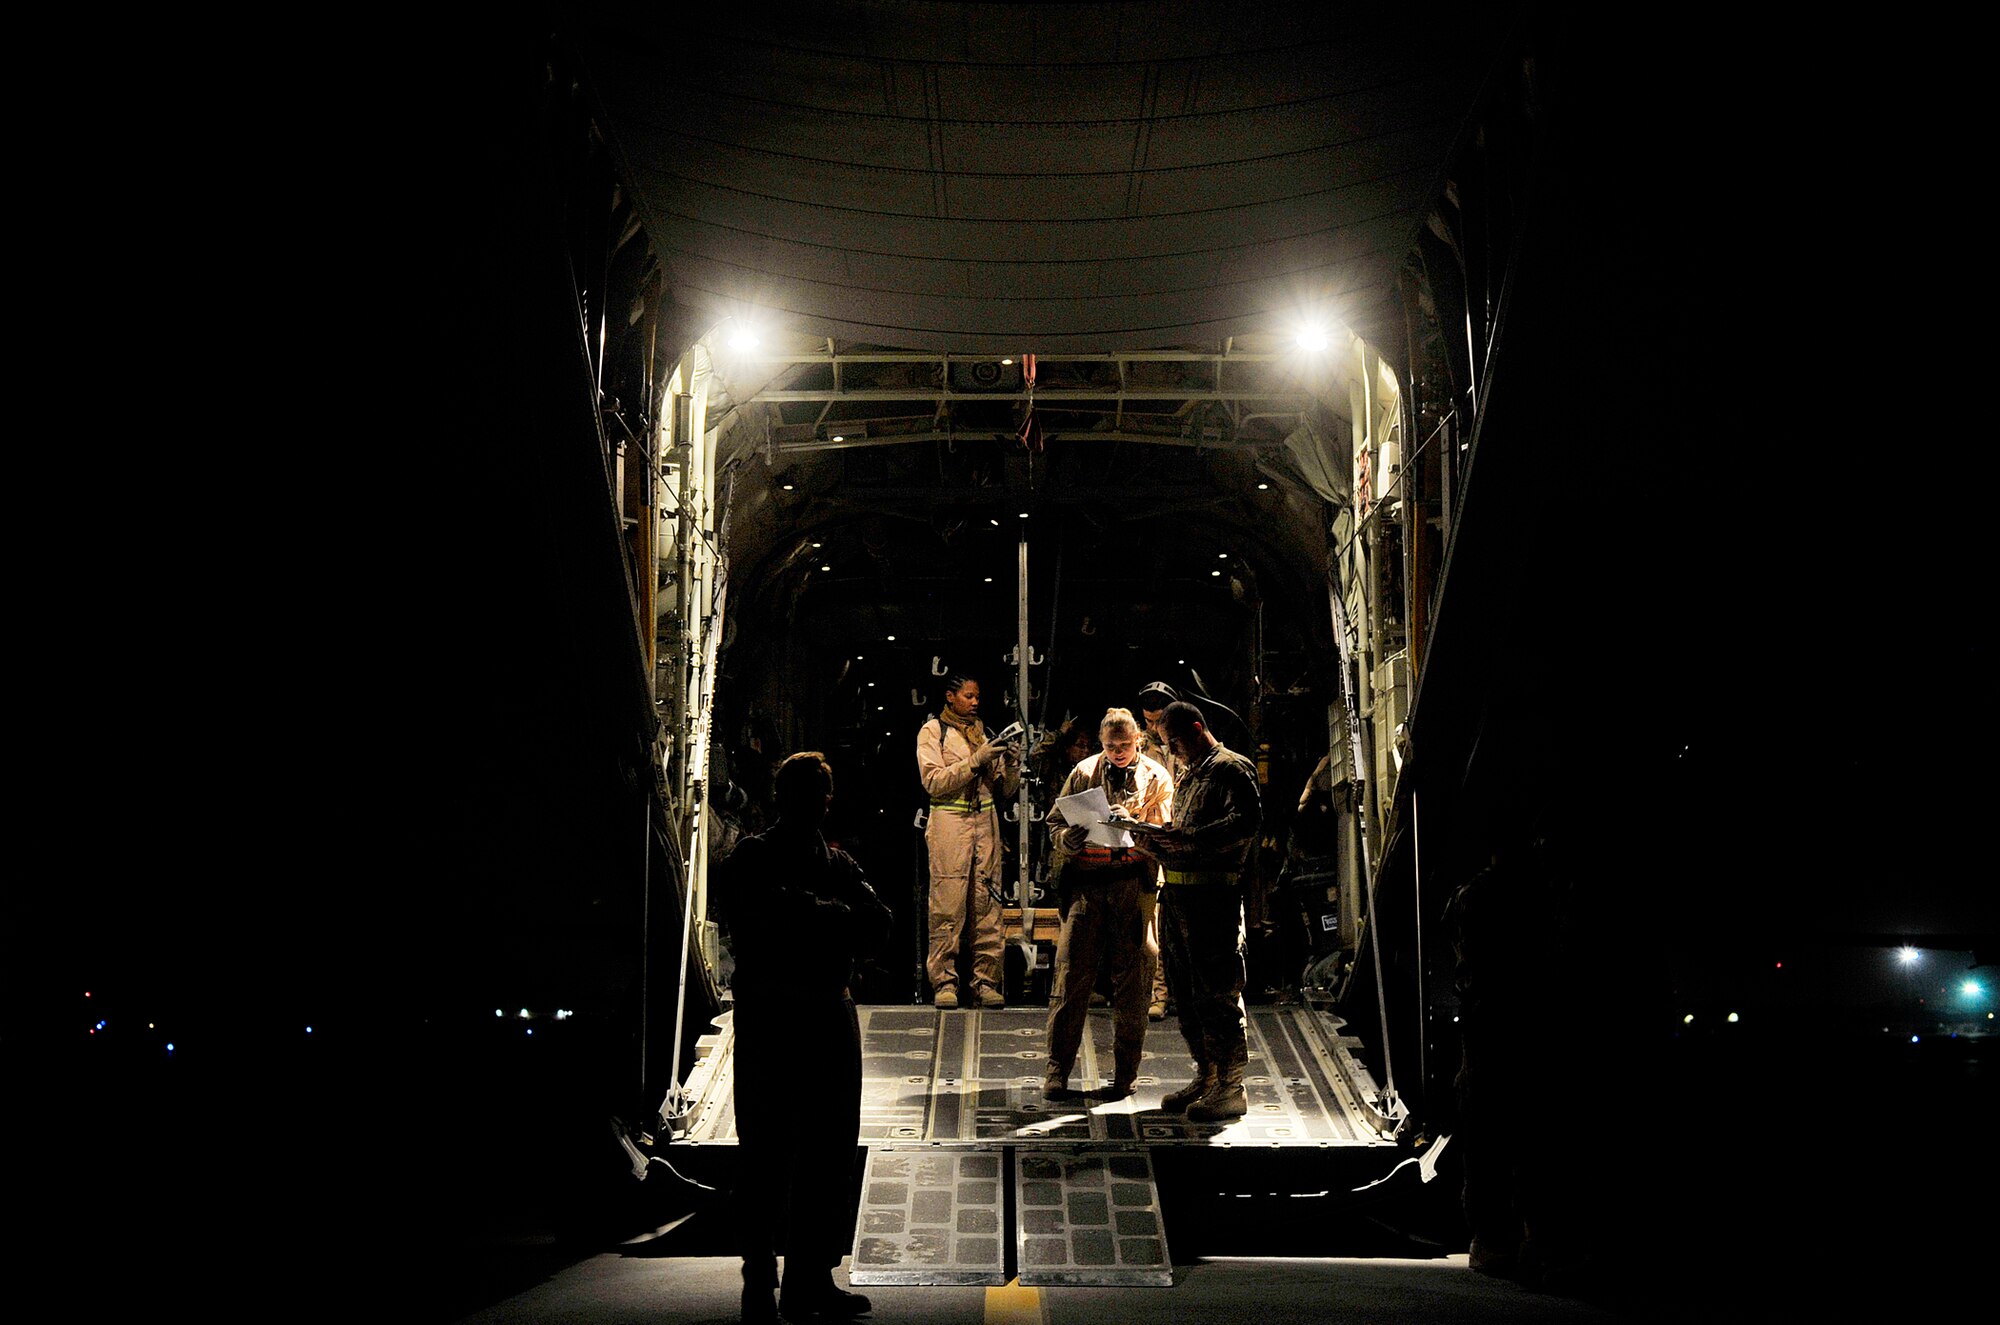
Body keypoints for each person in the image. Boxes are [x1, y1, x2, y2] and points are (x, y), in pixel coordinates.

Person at [716, 751, 892, 1323]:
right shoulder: (755, 857)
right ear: (785, 798)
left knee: (828, 1153)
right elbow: (762, 918)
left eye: (820, 793)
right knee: (767, 1154)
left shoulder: (832, 861)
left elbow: (879, 926)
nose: (815, 803)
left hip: (822, 1013)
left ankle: (809, 1279)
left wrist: (812, 915)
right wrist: (833, 918)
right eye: (807, 792)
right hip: (777, 1016)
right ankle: (760, 1282)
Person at [1041, 707, 1173, 1098]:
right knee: (1070, 977)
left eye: (1125, 745)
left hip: (1133, 885)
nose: (1118, 752)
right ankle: (1057, 1070)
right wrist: (1066, 840)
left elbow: (1167, 832)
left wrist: (1132, 823)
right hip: (1088, 884)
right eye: (1111, 746)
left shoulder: (1156, 777)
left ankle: (1126, 1074)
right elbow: (1055, 822)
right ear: (1102, 743)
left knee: (1135, 983)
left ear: (1138, 741)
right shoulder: (1084, 773)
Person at [1147, 700, 1262, 1122]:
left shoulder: (1231, 768)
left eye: (1174, 742)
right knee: (1186, 994)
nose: (1171, 751)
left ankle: (1231, 1087)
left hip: (1213, 900)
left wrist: (1191, 837)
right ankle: (1208, 1074)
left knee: (1218, 994)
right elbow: (1182, 834)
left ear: (1197, 730)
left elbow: (1246, 822)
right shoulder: (1190, 773)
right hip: (1178, 896)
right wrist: (1154, 840)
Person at [915, 672, 1018, 1008]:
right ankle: (944, 982)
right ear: (950, 696)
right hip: (950, 824)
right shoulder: (933, 731)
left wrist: (1011, 762)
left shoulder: (983, 733)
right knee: (947, 905)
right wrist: (976, 760)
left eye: (977, 697)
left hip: (985, 823)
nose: (975, 702)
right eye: (968, 696)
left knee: (987, 906)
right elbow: (933, 781)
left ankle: (985, 982)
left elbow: (1004, 790)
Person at [1133, 681, 1183, 1019]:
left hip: (1184, 840)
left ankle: (1182, 993)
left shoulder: (1187, 745)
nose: (1153, 727)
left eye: (1158, 720)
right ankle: (1158, 993)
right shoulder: (1138, 749)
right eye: (1148, 720)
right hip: (1152, 842)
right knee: (1152, 922)